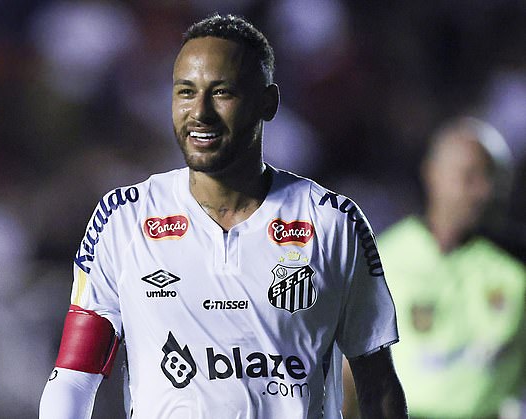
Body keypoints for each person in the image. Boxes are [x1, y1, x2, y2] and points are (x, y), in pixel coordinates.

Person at [39, 14, 407, 419]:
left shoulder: (333, 223)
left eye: (222, 92)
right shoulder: (123, 219)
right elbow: (74, 376)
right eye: (185, 92)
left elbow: (377, 383)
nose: (200, 112)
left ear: (268, 103)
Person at [344, 117, 526, 419]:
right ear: (433, 174)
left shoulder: (515, 266)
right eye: (470, 176)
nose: (484, 191)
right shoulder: (383, 259)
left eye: (494, 179)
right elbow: (350, 374)